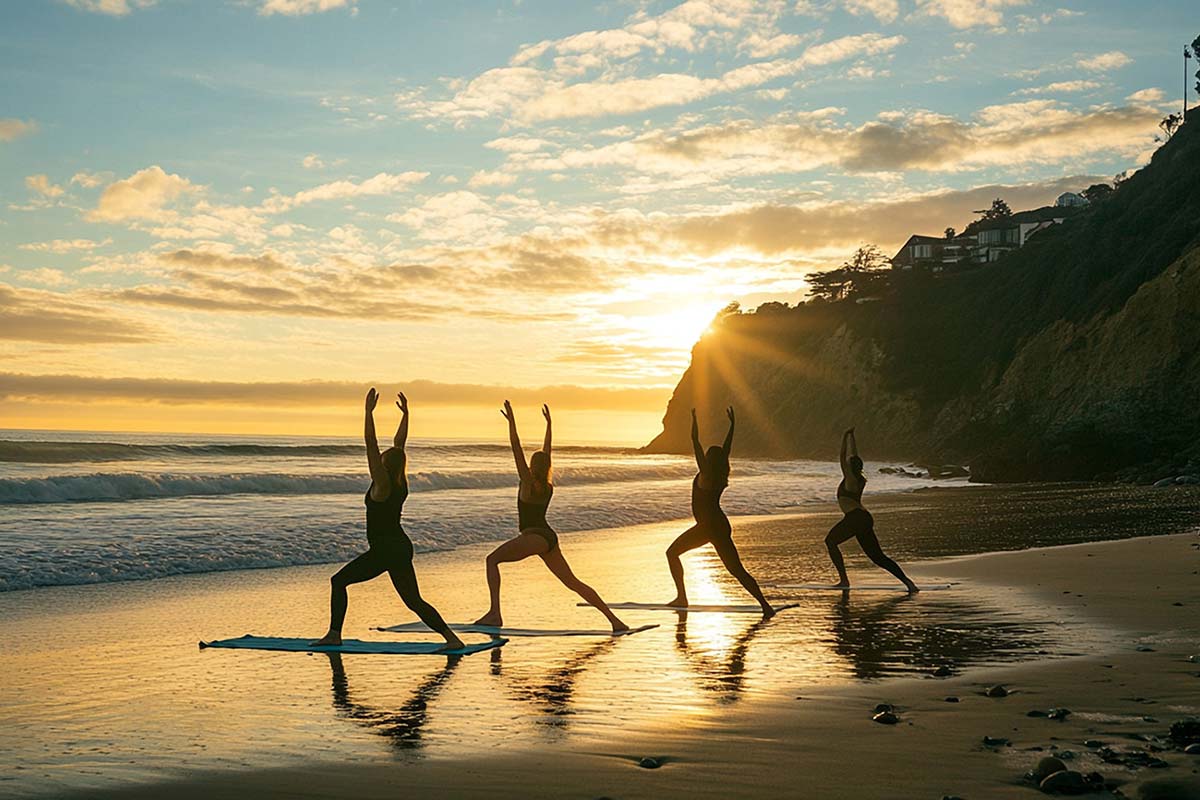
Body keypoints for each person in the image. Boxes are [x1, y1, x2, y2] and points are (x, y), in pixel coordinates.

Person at [311, 389, 465, 650]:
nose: (378, 457)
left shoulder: (382, 484)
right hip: (400, 546)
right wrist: (406, 416)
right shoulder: (399, 480)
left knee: (338, 581)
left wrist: (368, 413)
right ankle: (452, 639)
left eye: (381, 458)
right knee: (413, 600)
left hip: (385, 549)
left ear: (383, 463)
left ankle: (334, 634)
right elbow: (399, 446)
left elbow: (370, 444)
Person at [473, 401, 628, 633]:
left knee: (491, 560)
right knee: (572, 582)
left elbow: (515, 448)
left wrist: (512, 422)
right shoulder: (547, 484)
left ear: (532, 466)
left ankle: (495, 613)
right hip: (549, 538)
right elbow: (548, 453)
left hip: (533, 536)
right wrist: (549, 426)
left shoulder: (527, 482)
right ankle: (615, 621)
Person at [665, 407, 775, 618]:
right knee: (736, 569)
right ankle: (765, 605)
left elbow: (695, 442)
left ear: (707, 459)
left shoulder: (705, 473)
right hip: (720, 524)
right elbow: (726, 450)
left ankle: (682, 598)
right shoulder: (720, 473)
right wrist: (732, 425)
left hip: (707, 527)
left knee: (671, 554)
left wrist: (694, 421)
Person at [825, 427, 919, 593]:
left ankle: (844, 580)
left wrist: (844, 437)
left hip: (855, 518)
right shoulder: (860, 478)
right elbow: (854, 457)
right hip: (864, 518)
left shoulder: (850, 478)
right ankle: (908, 583)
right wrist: (852, 436)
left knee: (830, 542)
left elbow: (842, 457)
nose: (845, 464)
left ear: (850, 467)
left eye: (848, 464)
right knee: (877, 557)